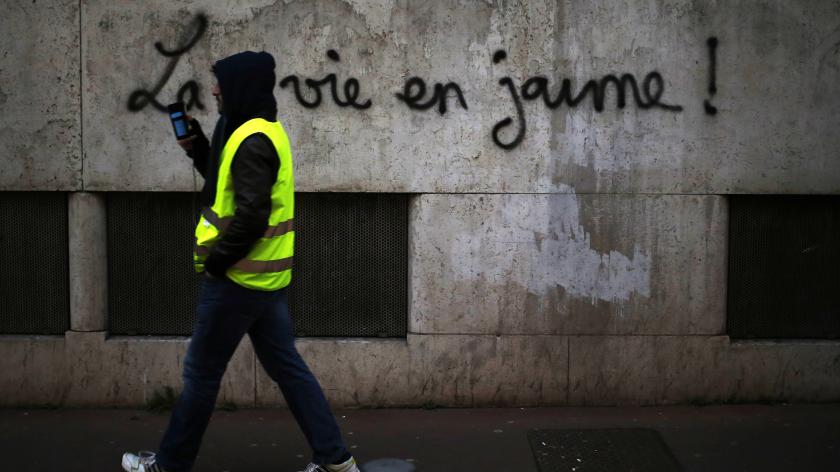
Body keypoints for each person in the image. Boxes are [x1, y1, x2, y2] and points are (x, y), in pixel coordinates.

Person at [121, 51, 360, 472]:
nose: (213, 90)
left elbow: (251, 213)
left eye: (220, 83)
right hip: (264, 283)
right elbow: (228, 186)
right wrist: (198, 150)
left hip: (236, 281)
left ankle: (170, 466)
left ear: (240, 86)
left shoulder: (251, 139)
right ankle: (335, 460)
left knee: (200, 376)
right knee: (289, 370)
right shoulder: (256, 129)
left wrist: (217, 264)